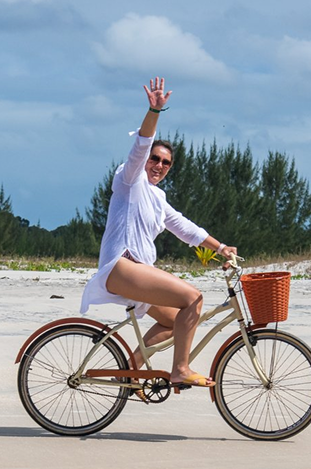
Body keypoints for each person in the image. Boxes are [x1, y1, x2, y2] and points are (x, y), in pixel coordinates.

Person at [79, 77, 237, 388]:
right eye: (155, 158)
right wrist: (154, 111)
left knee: (174, 319)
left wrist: (221, 247)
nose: (159, 164)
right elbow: (140, 146)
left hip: (138, 271)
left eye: (166, 162)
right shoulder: (129, 180)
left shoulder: (157, 197)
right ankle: (180, 369)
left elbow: (183, 226)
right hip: (122, 267)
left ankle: (130, 369)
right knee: (193, 298)